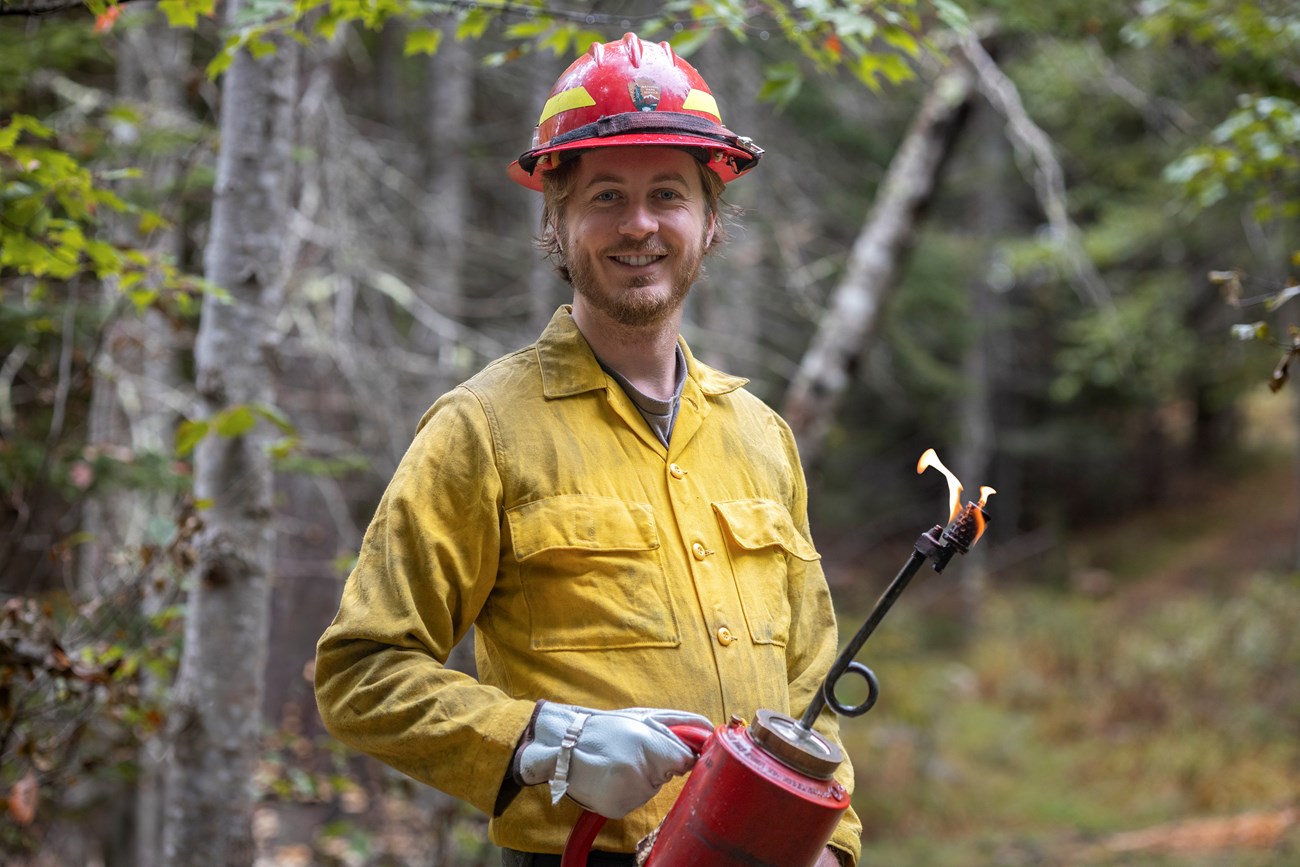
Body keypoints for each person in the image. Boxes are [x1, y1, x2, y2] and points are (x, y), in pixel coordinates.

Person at [315, 32, 862, 867]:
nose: (638, 224)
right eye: (605, 195)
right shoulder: (483, 429)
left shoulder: (760, 438)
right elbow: (360, 672)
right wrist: (547, 741)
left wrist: (832, 846)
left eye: (667, 196)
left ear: (710, 220)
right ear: (557, 219)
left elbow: (810, 687)